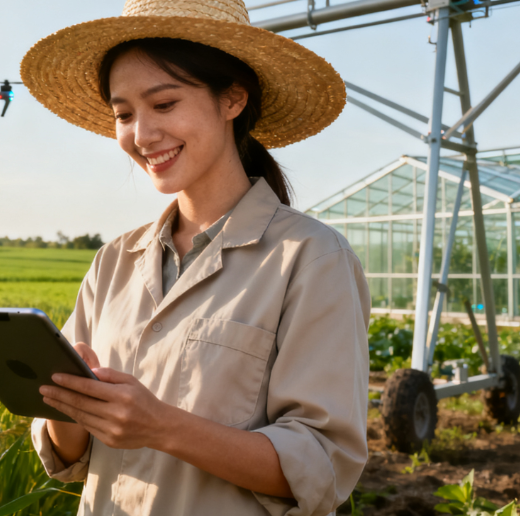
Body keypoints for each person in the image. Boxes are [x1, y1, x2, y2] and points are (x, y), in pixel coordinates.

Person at [20, 1, 371, 515]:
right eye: (124, 114)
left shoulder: (312, 259)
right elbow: (71, 454)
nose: (141, 135)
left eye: (163, 105)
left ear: (232, 99)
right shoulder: (113, 262)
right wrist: (72, 405)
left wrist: (162, 426)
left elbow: (322, 466)